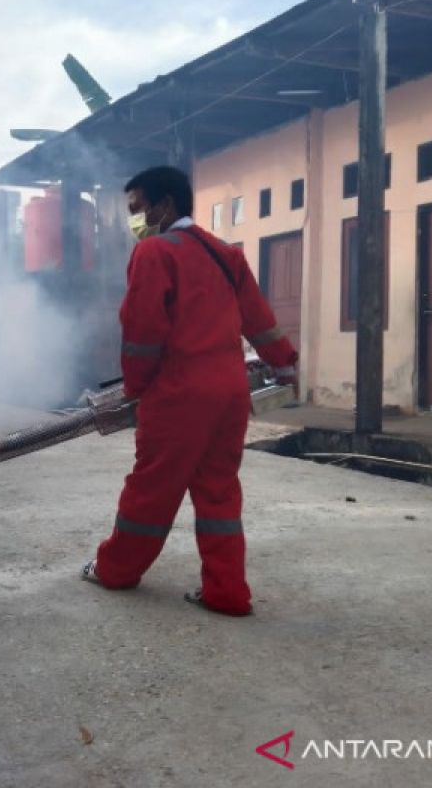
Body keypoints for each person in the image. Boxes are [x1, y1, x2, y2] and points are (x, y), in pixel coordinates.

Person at [81, 166, 298, 616]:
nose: (134, 219)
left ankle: (116, 570)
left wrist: (135, 388)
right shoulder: (225, 254)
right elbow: (259, 318)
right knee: (219, 493)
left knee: (151, 490)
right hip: (229, 395)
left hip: (179, 396)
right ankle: (227, 593)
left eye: (137, 208)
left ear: (164, 205)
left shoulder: (154, 252)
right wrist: (284, 362)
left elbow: (142, 331)